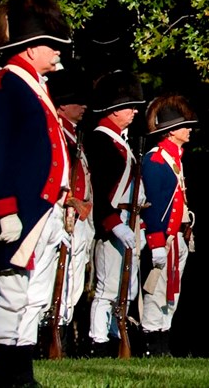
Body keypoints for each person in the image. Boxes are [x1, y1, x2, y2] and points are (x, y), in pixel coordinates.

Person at [0, 0, 73, 384]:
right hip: (18, 209)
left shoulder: (34, 85)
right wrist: (4, 209)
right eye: (52, 46)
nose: (58, 54)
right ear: (32, 47)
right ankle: (8, 373)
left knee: (31, 295)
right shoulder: (5, 84)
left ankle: (23, 372)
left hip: (43, 206)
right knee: (10, 293)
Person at [84, 70, 144, 353]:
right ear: (113, 109)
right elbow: (98, 187)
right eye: (129, 107)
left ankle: (114, 334)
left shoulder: (120, 140)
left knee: (125, 286)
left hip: (127, 220)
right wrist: (113, 223)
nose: (134, 111)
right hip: (112, 223)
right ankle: (99, 341)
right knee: (108, 287)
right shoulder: (101, 140)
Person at [140, 95, 197, 356]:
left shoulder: (174, 158)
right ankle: (154, 345)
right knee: (156, 291)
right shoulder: (156, 160)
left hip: (178, 238)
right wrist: (157, 243)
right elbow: (152, 205)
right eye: (185, 126)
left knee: (171, 293)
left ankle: (164, 343)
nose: (189, 130)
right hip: (163, 239)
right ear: (172, 130)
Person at [46, 69, 92, 355]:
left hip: (78, 216)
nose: (84, 106)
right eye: (78, 101)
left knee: (72, 281)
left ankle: (60, 334)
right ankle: (49, 336)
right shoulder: (59, 134)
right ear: (62, 105)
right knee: (57, 279)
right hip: (65, 215)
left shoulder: (73, 135)